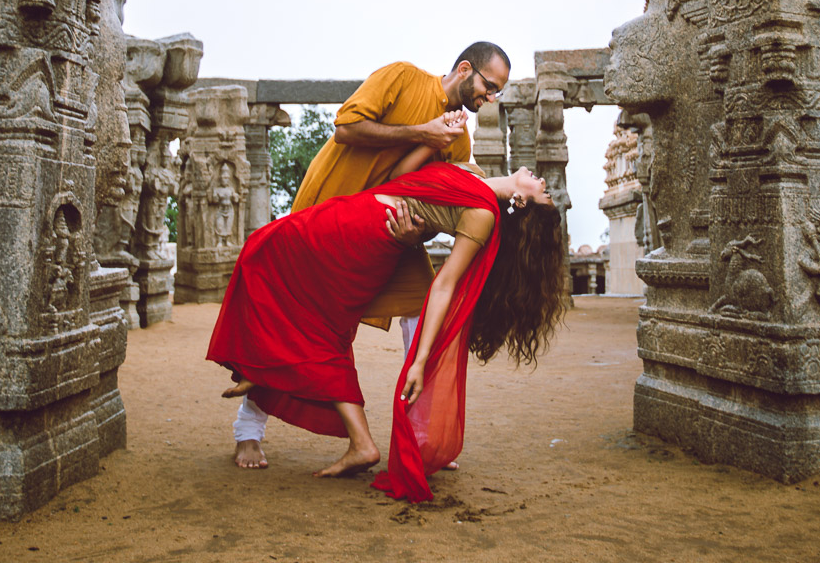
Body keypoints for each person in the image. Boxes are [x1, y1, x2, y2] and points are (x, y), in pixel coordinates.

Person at [206, 158, 564, 502]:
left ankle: (271, 373)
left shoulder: (483, 214)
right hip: (356, 211)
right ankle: (270, 371)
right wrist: (431, 133)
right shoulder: (471, 173)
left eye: (543, 193)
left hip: (363, 232)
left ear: (520, 201)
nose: (544, 182)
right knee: (296, 292)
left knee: (268, 257)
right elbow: (401, 175)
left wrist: (420, 360)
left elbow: (444, 285)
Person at [229, 41, 512, 468]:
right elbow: (346, 126)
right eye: (489, 86)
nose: (490, 99)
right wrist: (423, 131)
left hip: (392, 238)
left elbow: (428, 197)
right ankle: (248, 429)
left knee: (422, 311)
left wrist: (417, 230)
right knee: (302, 318)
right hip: (329, 210)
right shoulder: (402, 77)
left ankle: (420, 432)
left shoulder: (459, 139)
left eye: (497, 93)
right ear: (465, 69)